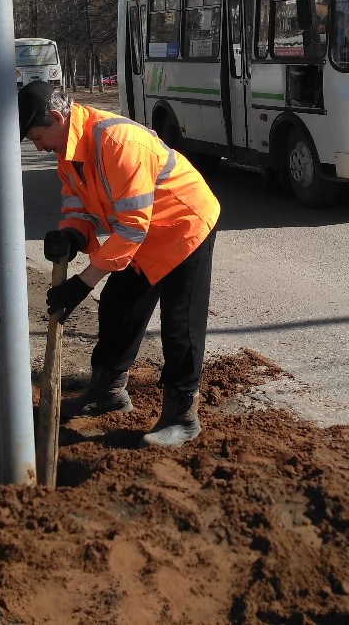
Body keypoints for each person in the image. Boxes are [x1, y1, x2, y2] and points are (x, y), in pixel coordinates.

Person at [20, 81, 220, 448]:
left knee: (180, 323)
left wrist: (83, 282)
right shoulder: (67, 151)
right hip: (140, 234)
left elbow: (131, 228)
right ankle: (107, 392)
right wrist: (72, 235)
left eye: (37, 137)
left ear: (57, 118)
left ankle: (182, 415)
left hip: (183, 225)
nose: (38, 146)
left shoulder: (117, 142)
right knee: (118, 305)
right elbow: (77, 205)